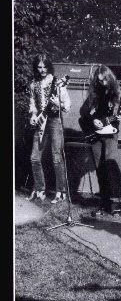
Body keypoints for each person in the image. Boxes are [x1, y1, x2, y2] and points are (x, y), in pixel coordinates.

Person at [79, 65, 121, 215]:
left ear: (110, 77)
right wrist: (93, 120)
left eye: (104, 80)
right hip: (96, 134)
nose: (102, 83)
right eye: (99, 81)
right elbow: (83, 111)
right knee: (99, 167)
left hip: (111, 133)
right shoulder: (95, 92)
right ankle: (104, 203)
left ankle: (116, 202)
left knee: (110, 164)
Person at [28, 53, 71, 203]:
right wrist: (33, 115)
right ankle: (40, 190)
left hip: (54, 121)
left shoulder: (57, 83)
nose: (42, 69)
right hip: (41, 123)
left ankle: (61, 192)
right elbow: (33, 103)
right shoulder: (33, 84)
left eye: (45, 66)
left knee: (56, 157)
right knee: (34, 158)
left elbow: (67, 106)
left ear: (49, 66)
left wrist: (57, 103)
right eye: (39, 67)